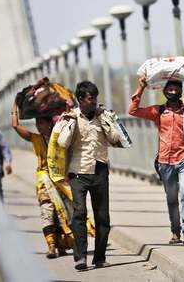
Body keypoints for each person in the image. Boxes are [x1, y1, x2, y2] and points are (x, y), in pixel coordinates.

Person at [128, 75, 184, 245]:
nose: (172, 91)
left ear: (180, 91)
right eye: (169, 89)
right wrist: (141, 88)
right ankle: (175, 232)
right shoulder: (159, 111)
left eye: (176, 89)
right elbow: (133, 110)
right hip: (165, 161)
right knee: (171, 199)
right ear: (164, 91)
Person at [56, 81, 120, 270]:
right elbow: (62, 143)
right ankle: (81, 256)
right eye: (90, 99)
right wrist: (72, 122)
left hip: (100, 171)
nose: (93, 103)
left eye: (95, 98)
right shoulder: (70, 117)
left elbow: (116, 139)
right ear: (81, 100)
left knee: (102, 217)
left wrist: (105, 120)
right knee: (79, 214)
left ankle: (99, 257)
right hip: (78, 173)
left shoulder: (104, 116)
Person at [11, 101, 77, 258]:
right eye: (37, 124)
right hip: (44, 182)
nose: (39, 127)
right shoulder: (35, 139)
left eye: (41, 123)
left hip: (61, 181)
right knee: (47, 211)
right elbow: (15, 126)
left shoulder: (61, 137)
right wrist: (15, 107)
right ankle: (52, 246)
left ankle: (62, 244)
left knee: (64, 212)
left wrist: (68, 107)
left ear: (50, 124)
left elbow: (71, 123)